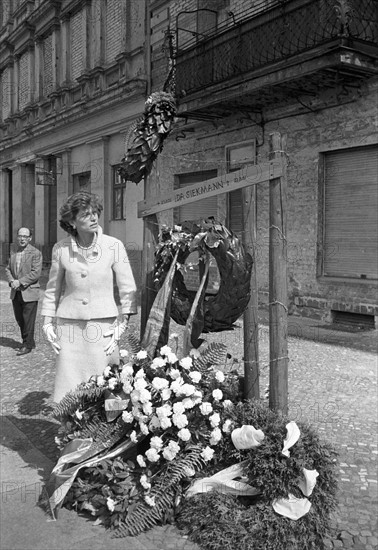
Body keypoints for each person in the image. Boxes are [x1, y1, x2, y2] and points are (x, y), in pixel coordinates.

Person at [41, 191, 137, 402]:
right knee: (71, 386)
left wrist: (123, 322)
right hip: (70, 327)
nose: (93, 218)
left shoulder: (114, 246)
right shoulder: (60, 249)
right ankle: (71, 432)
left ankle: (105, 433)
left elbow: (127, 288)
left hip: (104, 327)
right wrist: (47, 322)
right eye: (86, 214)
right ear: (72, 221)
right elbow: (52, 290)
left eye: (95, 213)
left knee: (106, 385)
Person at [5, 227, 43, 355]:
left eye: (25, 236)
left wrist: (19, 282)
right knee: (20, 319)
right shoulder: (13, 251)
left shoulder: (36, 253)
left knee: (28, 320)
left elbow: (36, 273)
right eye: (20, 236)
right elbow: (7, 269)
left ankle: (27, 345)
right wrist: (11, 281)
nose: (22, 239)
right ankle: (29, 341)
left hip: (29, 292)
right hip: (16, 292)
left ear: (30, 238)